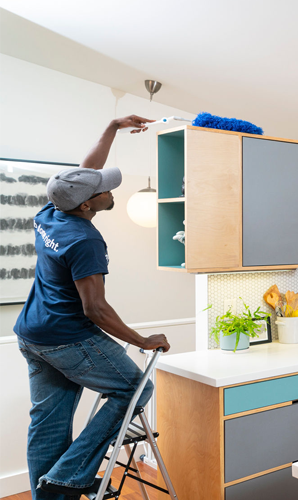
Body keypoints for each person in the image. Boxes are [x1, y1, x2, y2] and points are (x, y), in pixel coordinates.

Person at [15, 115, 172, 499]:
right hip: (68, 338)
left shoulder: (51, 212)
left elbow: (86, 172)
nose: (108, 189)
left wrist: (113, 127)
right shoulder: (85, 240)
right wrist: (142, 339)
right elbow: (95, 310)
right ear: (88, 204)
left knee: (48, 424)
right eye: (103, 190)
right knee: (135, 387)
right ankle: (67, 477)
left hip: (32, 333)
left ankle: (49, 495)